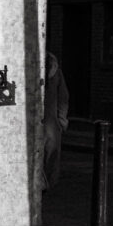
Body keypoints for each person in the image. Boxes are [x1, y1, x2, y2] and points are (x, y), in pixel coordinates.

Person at [43, 51, 69, 190]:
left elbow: (63, 97)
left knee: (50, 150)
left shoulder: (55, 73)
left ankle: (45, 183)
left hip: (49, 120)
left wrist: (61, 120)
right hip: (46, 121)